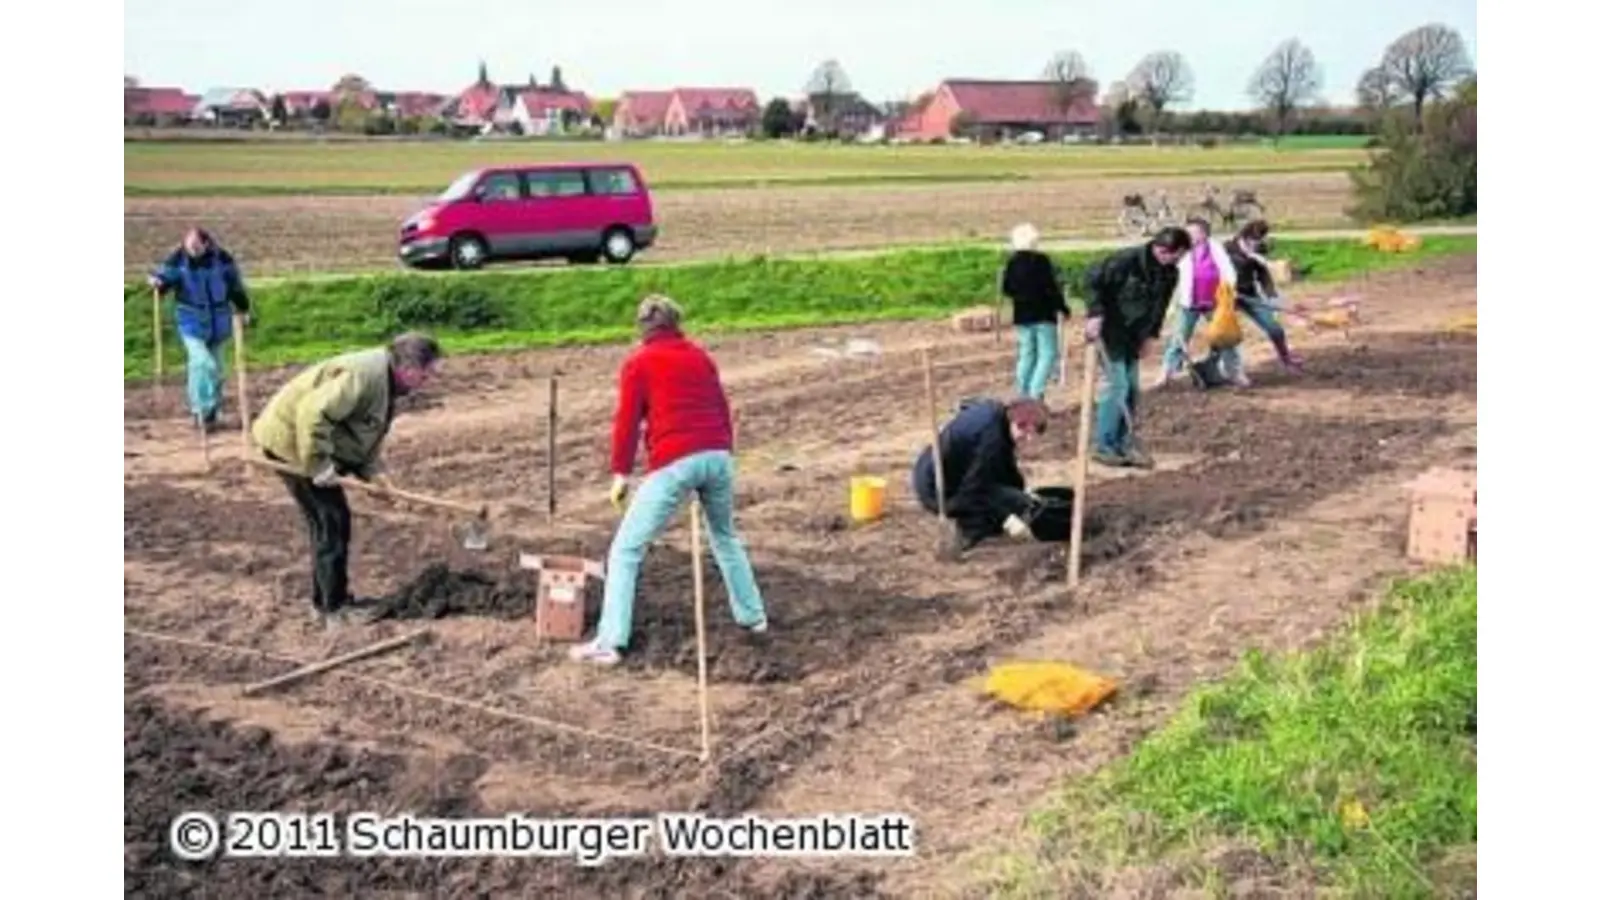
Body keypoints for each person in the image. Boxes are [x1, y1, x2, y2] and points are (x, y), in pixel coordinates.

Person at [570, 295, 768, 667]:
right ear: (676, 323)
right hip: (719, 456)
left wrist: (620, 474)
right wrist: (723, 452)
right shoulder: (700, 356)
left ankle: (610, 641)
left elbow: (627, 423)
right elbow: (722, 408)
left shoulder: (639, 363)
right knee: (724, 537)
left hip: (676, 460)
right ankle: (753, 617)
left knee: (626, 550)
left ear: (643, 327)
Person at [250, 332, 443, 629]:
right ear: (408, 369)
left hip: (305, 442)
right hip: (291, 442)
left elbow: (361, 435)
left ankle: (326, 603)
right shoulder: (363, 377)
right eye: (426, 375)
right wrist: (318, 464)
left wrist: (376, 476)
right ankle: (333, 609)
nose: (428, 381)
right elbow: (312, 412)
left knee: (329, 522)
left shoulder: (386, 381)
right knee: (331, 521)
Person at [1083, 226, 1192, 469]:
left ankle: (1124, 441)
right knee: (1117, 386)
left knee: (1131, 388)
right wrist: (1095, 313)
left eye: (1179, 257)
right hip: (1110, 332)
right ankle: (1104, 445)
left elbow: (1160, 306)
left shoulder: (1169, 273)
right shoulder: (1126, 261)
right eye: (1174, 255)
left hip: (1135, 335)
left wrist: (1151, 336)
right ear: (1161, 249)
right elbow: (1092, 279)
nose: (1175, 260)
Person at [913, 396, 1051, 558]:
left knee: (1014, 497)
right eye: (1024, 431)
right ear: (1015, 420)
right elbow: (975, 487)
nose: (1028, 440)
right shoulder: (991, 438)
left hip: (949, 471)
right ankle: (968, 535)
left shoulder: (998, 416)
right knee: (1002, 503)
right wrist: (1005, 516)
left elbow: (1005, 464)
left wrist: (1022, 490)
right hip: (937, 487)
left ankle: (984, 521)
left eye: (1033, 434)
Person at [148, 228, 252, 429]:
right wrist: (157, 282)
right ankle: (200, 410)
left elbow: (234, 285)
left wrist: (243, 308)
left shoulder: (222, 259)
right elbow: (165, 279)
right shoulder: (177, 259)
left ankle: (212, 412)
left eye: (196, 247)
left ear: (206, 244)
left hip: (218, 321)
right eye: (189, 247)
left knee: (218, 371)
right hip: (192, 321)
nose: (192, 251)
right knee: (203, 364)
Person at [1155, 218, 1241, 388]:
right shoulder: (1182, 250)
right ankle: (1166, 373)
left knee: (1225, 338)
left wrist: (1228, 293)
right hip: (1188, 303)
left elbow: (1229, 271)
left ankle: (1235, 373)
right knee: (1178, 338)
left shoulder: (1215, 248)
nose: (1189, 235)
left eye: (1193, 232)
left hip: (1215, 302)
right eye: (1188, 231)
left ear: (1203, 234)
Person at [1223, 219, 1305, 377]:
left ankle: (1286, 359)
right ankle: (1230, 369)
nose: (1257, 244)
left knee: (1274, 328)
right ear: (1245, 237)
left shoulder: (1257, 251)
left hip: (1249, 295)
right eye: (1254, 240)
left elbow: (1263, 275)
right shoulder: (1227, 248)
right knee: (1224, 333)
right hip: (1227, 296)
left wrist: (1272, 296)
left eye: (1260, 240)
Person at [1000, 223, 1070, 402]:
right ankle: (1036, 391)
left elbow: (1007, 289)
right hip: (1044, 315)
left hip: (1022, 315)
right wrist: (1062, 307)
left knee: (1027, 353)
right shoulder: (1041, 261)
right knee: (1047, 353)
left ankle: (1022, 392)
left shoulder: (1012, 262)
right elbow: (1051, 288)